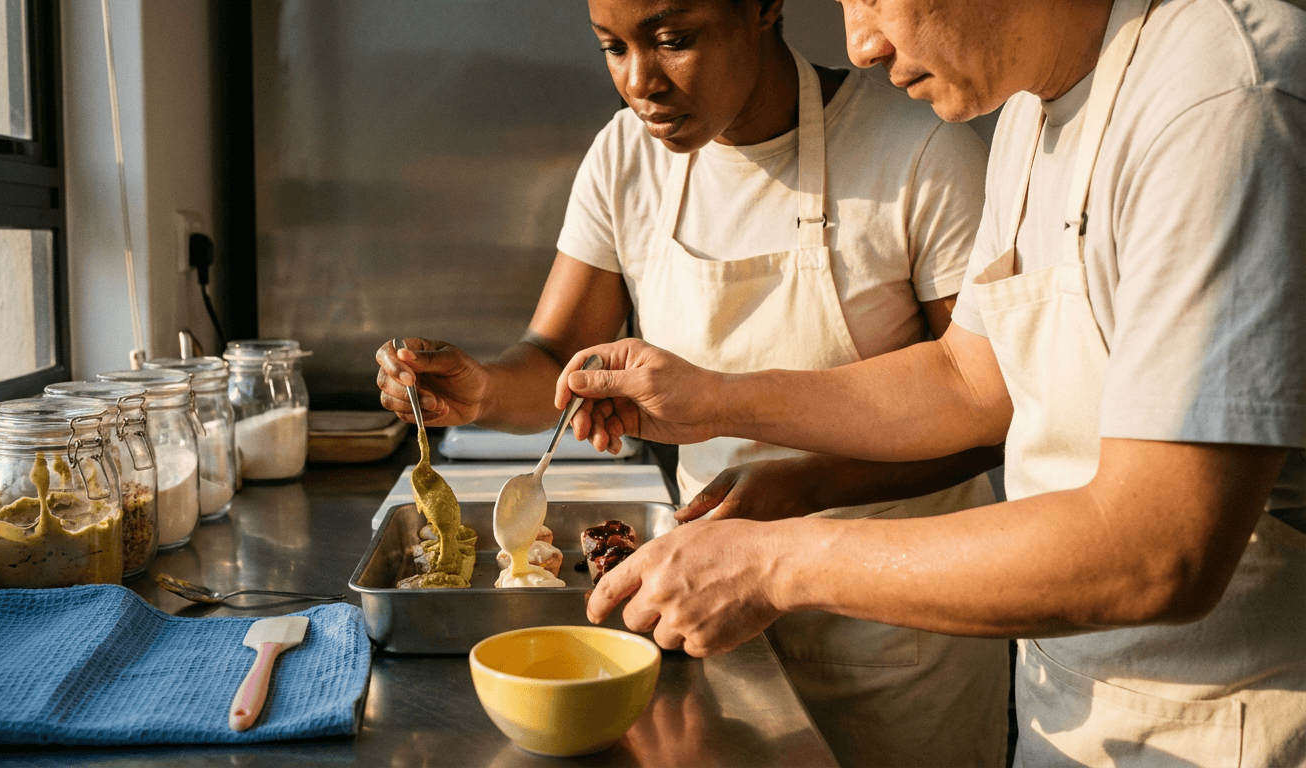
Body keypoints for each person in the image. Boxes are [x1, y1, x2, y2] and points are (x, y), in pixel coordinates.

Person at [558, 0, 1306, 765]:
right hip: (1077, 702)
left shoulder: (1218, 98)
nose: (861, 43)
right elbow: (969, 379)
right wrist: (713, 399)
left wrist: (775, 563)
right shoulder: (1027, 116)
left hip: (1231, 722)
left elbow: (1159, 548)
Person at [376, 1, 1012, 764]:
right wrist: (480, 390)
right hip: (703, 621)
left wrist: (799, 488)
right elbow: (555, 359)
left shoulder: (918, 148)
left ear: (764, 7)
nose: (640, 82)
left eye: (674, 40)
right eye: (613, 47)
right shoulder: (625, 157)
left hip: (894, 642)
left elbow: (991, 410)